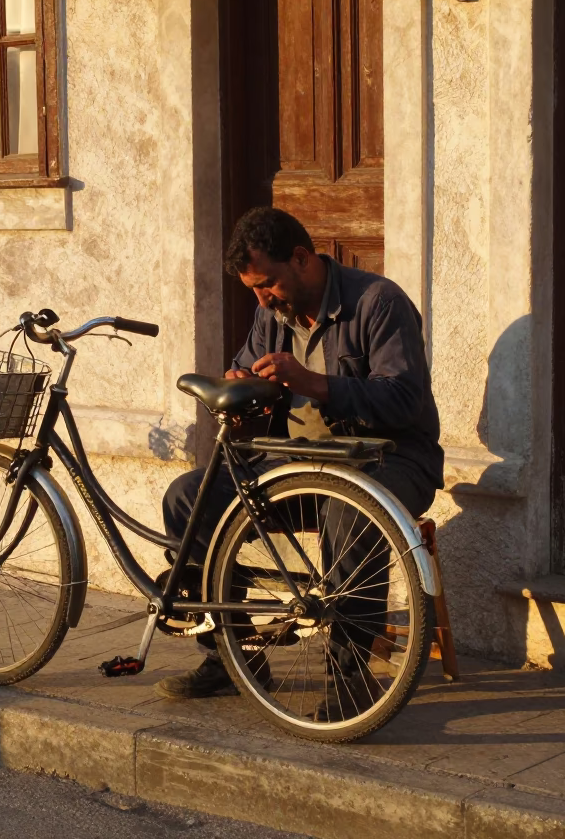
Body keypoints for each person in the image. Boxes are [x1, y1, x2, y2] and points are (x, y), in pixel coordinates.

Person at [156, 207, 444, 707]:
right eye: (253, 290)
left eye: (267, 284)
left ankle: (351, 679)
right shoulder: (272, 312)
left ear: (302, 258)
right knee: (188, 497)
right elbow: (248, 369)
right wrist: (242, 387)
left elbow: (402, 400)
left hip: (388, 462)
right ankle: (232, 652)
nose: (262, 299)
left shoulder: (378, 302)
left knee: (346, 512)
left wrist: (314, 383)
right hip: (295, 467)